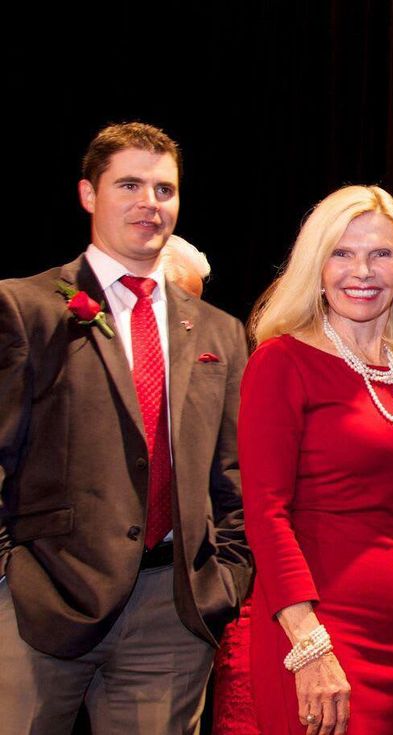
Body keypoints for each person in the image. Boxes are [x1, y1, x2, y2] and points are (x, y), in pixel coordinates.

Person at [0, 122, 251, 734]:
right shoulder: (27, 306)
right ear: (89, 194)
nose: (149, 203)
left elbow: (233, 471)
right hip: (42, 601)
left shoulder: (219, 331)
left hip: (173, 612)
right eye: (130, 185)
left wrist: (228, 577)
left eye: (164, 189)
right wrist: (8, 573)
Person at [239, 185, 393, 734]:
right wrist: (308, 642)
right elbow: (265, 512)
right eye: (342, 253)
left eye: (380, 253)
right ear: (317, 266)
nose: (363, 271)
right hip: (315, 628)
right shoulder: (282, 361)